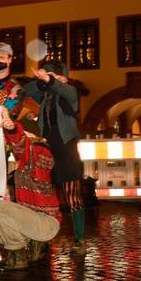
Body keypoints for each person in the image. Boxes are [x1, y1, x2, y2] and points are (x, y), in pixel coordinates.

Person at [24, 59, 87, 255]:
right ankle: (41, 238)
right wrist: (43, 80)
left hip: (67, 151)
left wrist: (54, 81)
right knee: (43, 196)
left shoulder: (70, 92)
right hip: (48, 149)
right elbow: (28, 89)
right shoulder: (46, 97)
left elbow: (64, 91)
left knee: (72, 197)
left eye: (51, 75)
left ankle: (79, 239)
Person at [0, 108, 61, 271]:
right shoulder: (26, 159)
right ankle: (31, 246)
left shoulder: (41, 152)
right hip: (33, 219)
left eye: (26, 134)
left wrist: (12, 128)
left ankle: (18, 256)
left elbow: (20, 142)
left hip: (45, 222)